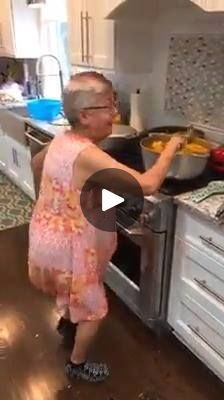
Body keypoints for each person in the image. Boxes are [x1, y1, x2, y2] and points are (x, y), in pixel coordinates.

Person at [28, 71, 184, 383]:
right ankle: (78, 364)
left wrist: (68, 201)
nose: (115, 112)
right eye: (108, 107)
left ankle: (68, 320)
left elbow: (37, 165)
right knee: (94, 308)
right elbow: (149, 184)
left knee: (71, 290)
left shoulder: (63, 139)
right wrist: (171, 148)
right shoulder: (86, 153)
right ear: (84, 115)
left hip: (45, 239)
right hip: (72, 250)